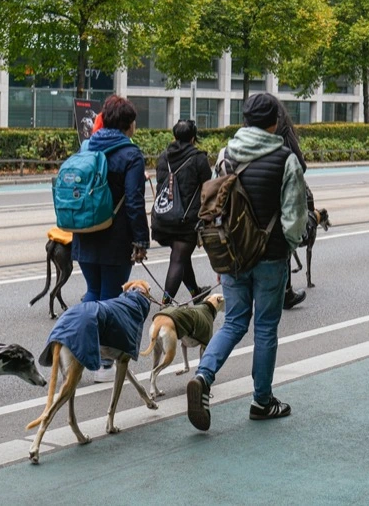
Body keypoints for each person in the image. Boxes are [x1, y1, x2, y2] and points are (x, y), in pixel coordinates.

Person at [186, 93, 307, 431]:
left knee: (234, 323)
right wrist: (290, 245)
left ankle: (203, 376)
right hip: (270, 256)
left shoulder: (225, 155)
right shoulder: (285, 158)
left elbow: (214, 203)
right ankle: (262, 401)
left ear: (245, 121)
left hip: (233, 255)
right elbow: (294, 217)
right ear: (274, 123)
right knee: (266, 327)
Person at [71, 95, 150, 382]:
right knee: (111, 299)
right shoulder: (130, 154)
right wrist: (141, 240)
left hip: (84, 232)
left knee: (93, 293)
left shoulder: (87, 146)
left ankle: (78, 354)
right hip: (115, 238)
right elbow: (133, 201)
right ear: (129, 124)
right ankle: (103, 362)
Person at [153, 120, 212, 304]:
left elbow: (160, 181)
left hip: (164, 216)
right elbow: (207, 186)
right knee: (179, 258)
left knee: (181, 257)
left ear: (174, 136)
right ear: (193, 138)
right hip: (186, 220)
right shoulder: (198, 158)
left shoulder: (164, 157)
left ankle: (195, 293)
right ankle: (166, 303)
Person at [274, 98, 310, 310]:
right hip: (279, 201)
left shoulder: (240, 141)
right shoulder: (285, 133)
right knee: (282, 243)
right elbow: (301, 166)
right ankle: (286, 291)